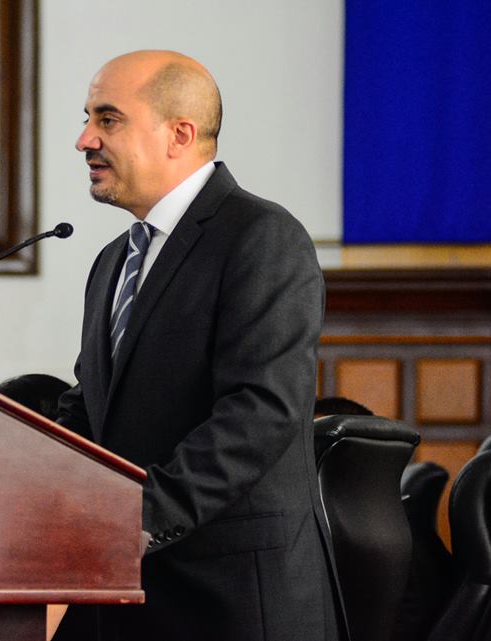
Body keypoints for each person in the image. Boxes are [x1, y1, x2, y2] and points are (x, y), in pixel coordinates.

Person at [55, 51, 342, 641]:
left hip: (230, 602)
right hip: (126, 599)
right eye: (88, 118)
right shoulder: (113, 261)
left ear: (179, 134)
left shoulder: (261, 237)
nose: (84, 139)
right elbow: (92, 409)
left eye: (108, 119)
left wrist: (131, 522)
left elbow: (260, 412)